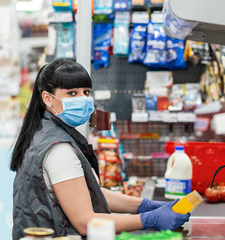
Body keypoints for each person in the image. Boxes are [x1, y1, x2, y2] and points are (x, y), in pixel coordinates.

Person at [10, 58, 190, 240]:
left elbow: (84, 192)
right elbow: (86, 223)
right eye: (72, 93)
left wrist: (144, 205)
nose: (82, 99)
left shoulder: (43, 132)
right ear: (47, 98)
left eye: (86, 92)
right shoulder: (58, 149)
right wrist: (149, 219)